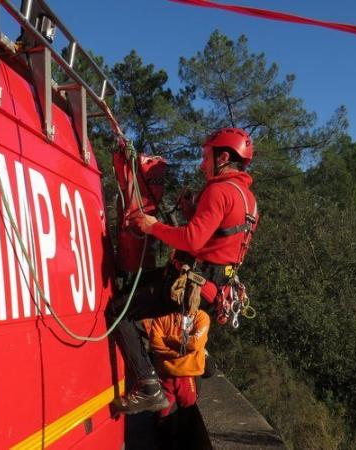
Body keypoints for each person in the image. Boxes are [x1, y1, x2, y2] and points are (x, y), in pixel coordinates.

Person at [108, 127, 258, 414]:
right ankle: (147, 372)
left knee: (119, 310)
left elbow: (192, 240)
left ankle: (148, 385)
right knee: (132, 295)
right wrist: (192, 214)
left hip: (192, 284)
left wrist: (153, 226)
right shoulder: (247, 198)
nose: (203, 165)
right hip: (213, 287)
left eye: (206, 157)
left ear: (223, 157)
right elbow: (220, 239)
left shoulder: (219, 190)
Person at [149, 305, 210, 417]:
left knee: (165, 413)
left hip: (166, 372)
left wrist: (168, 340)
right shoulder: (201, 316)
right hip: (186, 373)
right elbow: (155, 344)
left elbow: (194, 343)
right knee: (185, 413)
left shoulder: (161, 316)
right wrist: (181, 353)